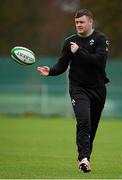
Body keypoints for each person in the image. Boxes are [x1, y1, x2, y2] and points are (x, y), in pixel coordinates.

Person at [37, 9, 109, 173]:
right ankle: (84, 159)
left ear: (90, 22)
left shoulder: (100, 39)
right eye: (76, 22)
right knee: (83, 121)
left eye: (82, 22)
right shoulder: (69, 42)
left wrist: (80, 51)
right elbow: (62, 64)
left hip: (98, 89)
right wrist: (51, 71)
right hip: (78, 88)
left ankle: (84, 156)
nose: (79, 25)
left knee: (92, 127)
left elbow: (99, 61)